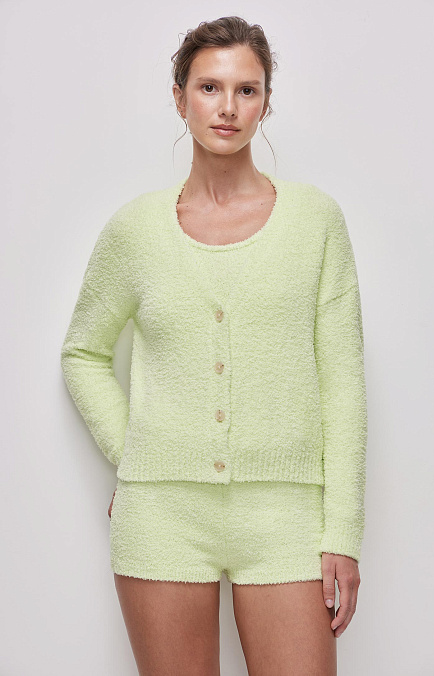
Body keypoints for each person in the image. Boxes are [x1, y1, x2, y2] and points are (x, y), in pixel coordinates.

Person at [61, 15, 368, 676]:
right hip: (162, 516)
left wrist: (341, 532)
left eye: (246, 90)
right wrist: (134, 454)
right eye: (209, 87)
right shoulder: (134, 230)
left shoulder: (315, 221)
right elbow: (82, 352)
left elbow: (343, 383)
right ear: (180, 98)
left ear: (265, 102)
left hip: (286, 517)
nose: (227, 107)